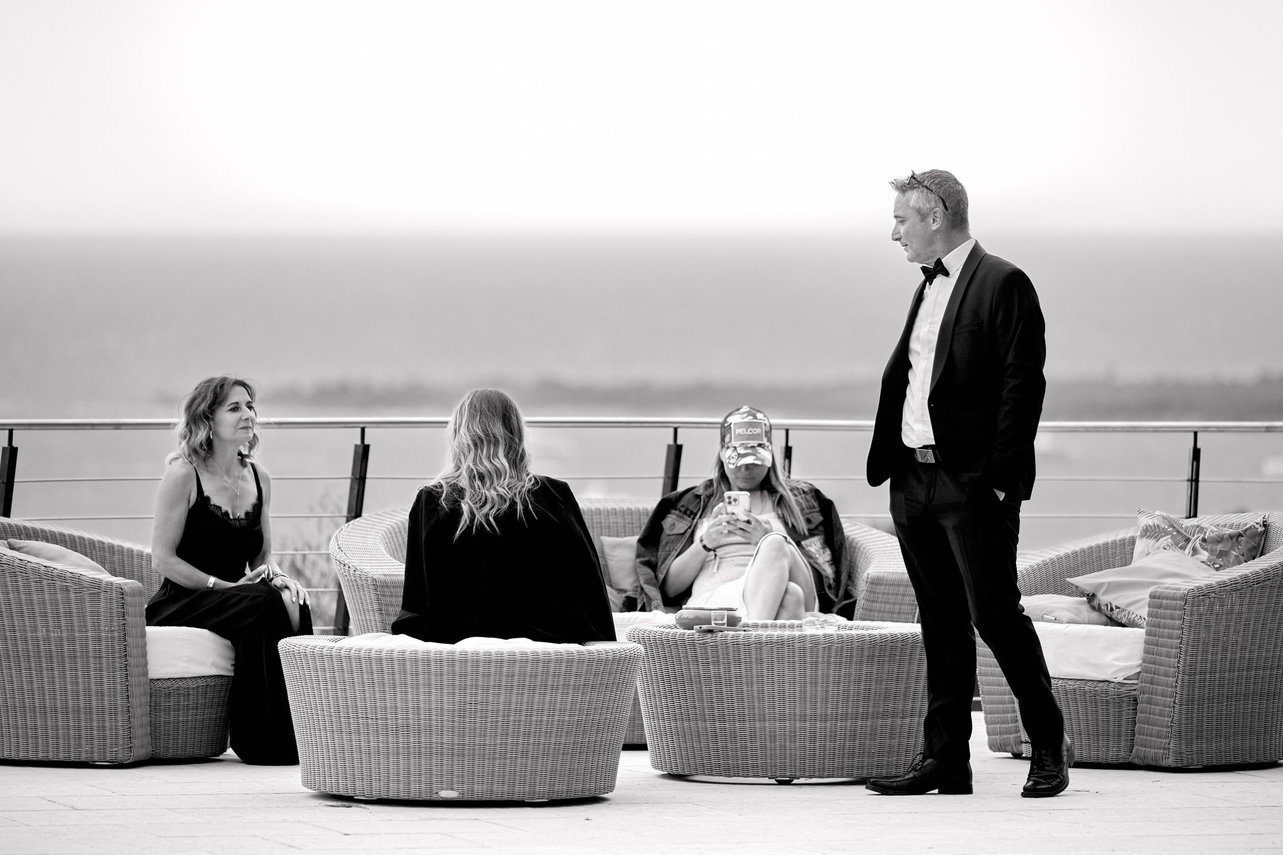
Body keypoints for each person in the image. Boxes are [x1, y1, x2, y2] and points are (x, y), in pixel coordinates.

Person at [864, 170, 1069, 798]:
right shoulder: (927, 286)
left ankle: (1049, 746)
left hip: (973, 485)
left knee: (995, 616)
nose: (893, 232)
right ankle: (947, 760)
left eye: (901, 219)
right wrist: (900, 467)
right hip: (913, 479)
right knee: (940, 620)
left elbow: (1022, 384)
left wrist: (1000, 481)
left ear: (935, 217)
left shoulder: (1004, 282)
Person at [147, 376, 312, 765]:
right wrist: (221, 586)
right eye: (234, 408)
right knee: (262, 604)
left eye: (250, 406)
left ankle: (302, 735)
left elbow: (262, 557)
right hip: (185, 599)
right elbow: (163, 559)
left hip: (238, 595)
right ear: (208, 419)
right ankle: (257, 741)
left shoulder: (259, 478)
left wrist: (280, 577)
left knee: (294, 602)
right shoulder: (183, 474)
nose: (247, 415)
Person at [391, 388, 615, 644]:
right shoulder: (554, 495)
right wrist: (609, 652)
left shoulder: (433, 501)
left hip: (459, 654)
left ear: (459, 436)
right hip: (549, 653)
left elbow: (418, 602)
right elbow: (590, 589)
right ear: (516, 434)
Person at [635, 405, 851, 620]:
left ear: (769, 456)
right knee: (791, 596)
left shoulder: (802, 502)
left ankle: (751, 631)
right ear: (722, 454)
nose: (746, 469)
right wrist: (705, 543)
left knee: (776, 545)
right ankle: (757, 632)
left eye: (754, 461)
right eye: (738, 461)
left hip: (792, 598)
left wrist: (765, 539)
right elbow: (669, 590)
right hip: (716, 601)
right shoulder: (693, 503)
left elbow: (824, 584)